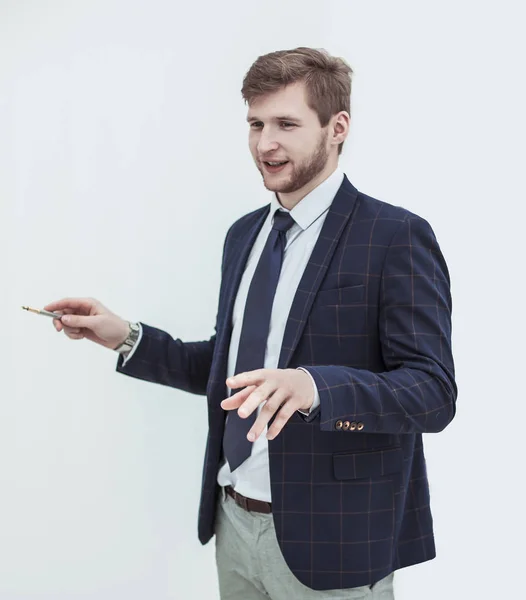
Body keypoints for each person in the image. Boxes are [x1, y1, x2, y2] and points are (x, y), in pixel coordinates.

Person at [45, 47, 457, 600]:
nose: (265, 144)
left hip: (335, 541)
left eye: (286, 124)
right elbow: (230, 369)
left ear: (338, 128)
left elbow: (432, 394)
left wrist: (315, 387)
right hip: (232, 522)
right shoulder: (244, 235)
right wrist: (125, 336)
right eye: (255, 124)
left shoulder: (395, 236)